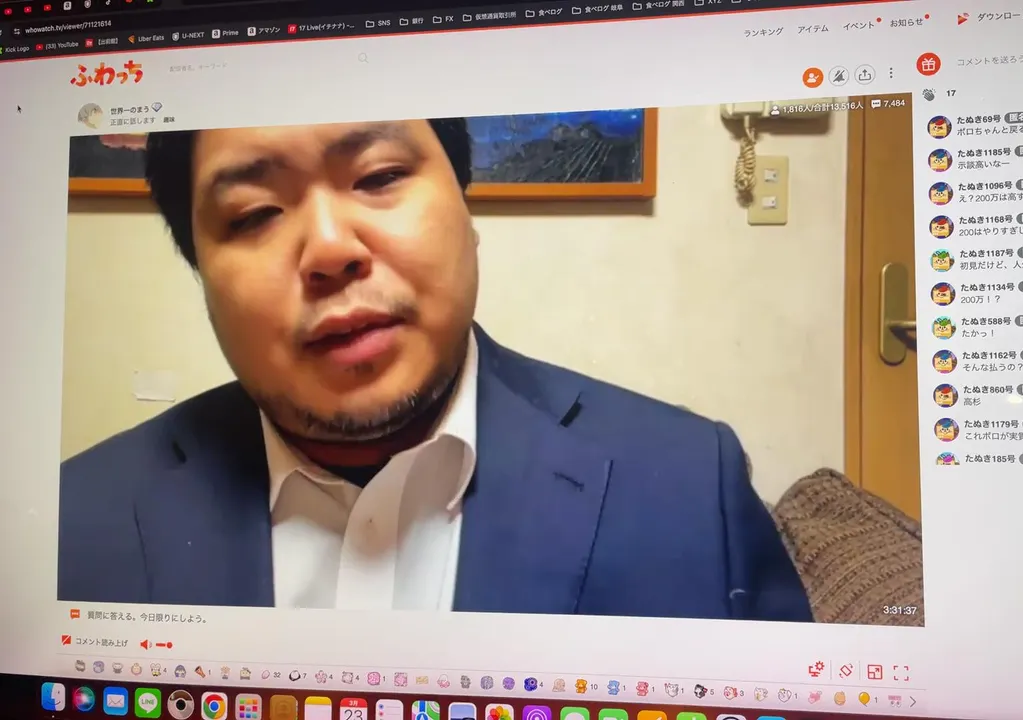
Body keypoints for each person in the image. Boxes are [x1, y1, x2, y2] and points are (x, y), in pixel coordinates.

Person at [57, 118, 813, 622]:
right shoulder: (72, 523)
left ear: (464, 206)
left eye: (379, 175)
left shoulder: (688, 485)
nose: (330, 249)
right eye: (254, 214)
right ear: (200, 273)